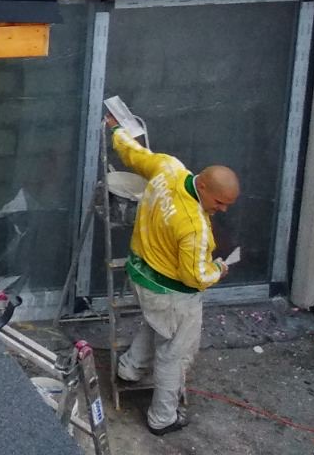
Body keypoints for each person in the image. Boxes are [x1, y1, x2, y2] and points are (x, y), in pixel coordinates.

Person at [106, 116, 239, 437]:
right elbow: (196, 277)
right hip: (171, 294)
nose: (222, 209)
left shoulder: (169, 168)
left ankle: (129, 369)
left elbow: (135, 154)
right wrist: (220, 269)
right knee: (174, 355)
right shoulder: (194, 227)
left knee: (157, 325)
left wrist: (116, 130)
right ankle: (162, 418)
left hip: (141, 274)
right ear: (203, 186)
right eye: (219, 202)